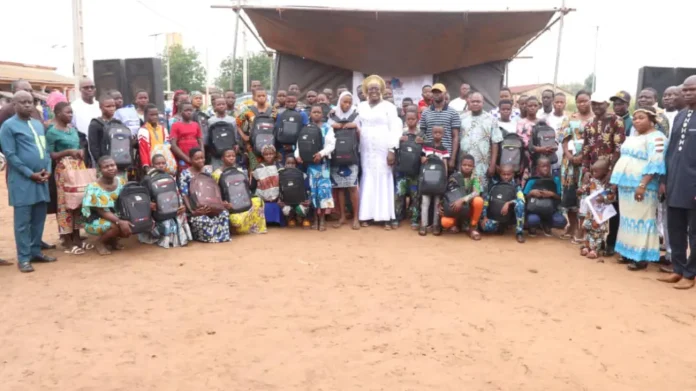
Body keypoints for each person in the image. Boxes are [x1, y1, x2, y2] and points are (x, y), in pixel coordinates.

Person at [0, 91, 55, 272]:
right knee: (22, 222)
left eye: (30, 102)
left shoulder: (38, 125)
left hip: (41, 178)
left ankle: (35, 251)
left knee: (39, 219)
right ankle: (23, 258)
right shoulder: (8, 126)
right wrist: (30, 173)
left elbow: (45, 150)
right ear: (14, 105)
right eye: (22, 102)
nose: (27, 105)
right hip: (23, 181)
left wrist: (48, 169)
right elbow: (10, 155)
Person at [610, 107, 666, 271]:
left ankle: (641, 257)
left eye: (641, 118)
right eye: (634, 118)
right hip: (626, 185)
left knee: (642, 220)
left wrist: (642, 185)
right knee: (627, 220)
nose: (636, 121)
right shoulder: (634, 136)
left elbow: (655, 163)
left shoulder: (657, 138)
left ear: (652, 120)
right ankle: (628, 252)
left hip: (642, 187)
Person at [659, 76, 696, 289]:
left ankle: (691, 274)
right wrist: (664, 180)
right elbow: (670, 151)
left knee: (694, 233)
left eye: (693, 90)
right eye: (686, 90)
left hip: (692, 186)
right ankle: (678, 269)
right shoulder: (681, 116)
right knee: (675, 229)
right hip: (674, 184)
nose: (688, 93)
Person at [582, 94, 626, 256]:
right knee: (594, 208)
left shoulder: (617, 121)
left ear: (607, 104)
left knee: (612, 207)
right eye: (594, 104)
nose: (597, 107)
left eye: (600, 104)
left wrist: (611, 172)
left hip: (611, 172)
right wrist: (586, 171)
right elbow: (586, 149)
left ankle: (611, 242)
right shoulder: (589, 125)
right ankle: (593, 243)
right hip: (594, 172)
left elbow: (619, 148)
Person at [356, 75, 402, 229]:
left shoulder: (389, 107)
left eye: (376, 88)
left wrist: (392, 150)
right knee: (368, 177)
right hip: (366, 148)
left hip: (383, 147)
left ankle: (385, 216)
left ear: (381, 90)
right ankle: (366, 215)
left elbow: (395, 129)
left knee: (384, 177)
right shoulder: (361, 106)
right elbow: (353, 122)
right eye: (370, 89)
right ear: (366, 91)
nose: (373, 91)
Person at [46, 101, 91, 254]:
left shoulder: (72, 130)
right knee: (65, 204)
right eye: (67, 112)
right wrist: (68, 152)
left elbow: (79, 146)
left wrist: (80, 151)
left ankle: (78, 237)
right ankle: (67, 240)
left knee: (78, 201)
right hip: (63, 170)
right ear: (58, 114)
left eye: (71, 112)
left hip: (78, 167)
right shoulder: (52, 132)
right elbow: (50, 155)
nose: (70, 115)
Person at [559, 90, 594, 244]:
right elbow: (564, 139)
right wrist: (569, 156)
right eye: (579, 101)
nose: (582, 104)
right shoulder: (570, 118)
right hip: (570, 164)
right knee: (569, 195)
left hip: (588, 163)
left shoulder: (595, 119)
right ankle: (572, 225)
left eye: (585, 100)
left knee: (584, 195)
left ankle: (581, 229)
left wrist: (583, 157)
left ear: (590, 100)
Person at [295, 105, 336, 231]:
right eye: (314, 112)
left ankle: (323, 219)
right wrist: (297, 156)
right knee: (312, 192)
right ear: (310, 114)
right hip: (309, 166)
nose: (316, 114)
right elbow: (299, 144)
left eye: (319, 112)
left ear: (322, 114)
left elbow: (331, 145)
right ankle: (315, 218)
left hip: (322, 165)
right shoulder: (305, 128)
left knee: (323, 192)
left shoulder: (327, 128)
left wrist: (321, 154)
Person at [81, 156, 131, 256]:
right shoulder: (94, 187)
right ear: (100, 170)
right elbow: (102, 211)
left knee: (130, 226)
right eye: (106, 166)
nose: (110, 168)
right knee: (116, 227)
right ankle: (100, 243)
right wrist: (120, 222)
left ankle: (112, 241)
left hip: (114, 215)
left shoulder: (121, 181)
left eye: (112, 165)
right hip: (95, 218)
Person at [138, 154, 192, 248]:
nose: (161, 165)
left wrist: (181, 206)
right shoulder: (147, 179)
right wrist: (149, 204)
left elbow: (177, 195)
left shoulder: (170, 177)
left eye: (163, 163)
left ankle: (180, 239)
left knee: (181, 214)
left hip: (170, 209)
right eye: (158, 163)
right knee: (166, 223)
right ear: (152, 165)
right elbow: (141, 199)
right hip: (156, 213)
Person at [179, 148, 231, 243]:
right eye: (197, 159)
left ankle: (221, 236)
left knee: (224, 214)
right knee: (202, 219)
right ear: (190, 160)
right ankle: (209, 237)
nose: (201, 160)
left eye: (202, 158)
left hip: (210, 205)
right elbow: (184, 194)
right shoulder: (185, 174)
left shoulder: (207, 171)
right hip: (196, 208)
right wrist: (193, 211)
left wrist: (220, 204)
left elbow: (213, 189)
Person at [211, 148, 267, 235]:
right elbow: (214, 193)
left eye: (233, 156)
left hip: (242, 201)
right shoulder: (217, 174)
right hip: (228, 204)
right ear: (222, 158)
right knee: (236, 221)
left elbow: (246, 188)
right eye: (228, 156)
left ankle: (257, 228)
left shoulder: (240, 171)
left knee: (258, 201)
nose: (231, 158)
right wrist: (222, 203)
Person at [328, 91, 361, 230]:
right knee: (340, 188)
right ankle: (342, 216)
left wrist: (356, 127)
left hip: (351, 156)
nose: (346, 105)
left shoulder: (356, 115)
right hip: (336, 156)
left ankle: (355, 218)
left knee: (353, 187)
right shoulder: (332, 115)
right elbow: (326, 133)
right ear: (339, 101)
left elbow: (361, 135)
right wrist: (331, 126)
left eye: (349, 102)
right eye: (344, 102)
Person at [458, 92, 502, 190]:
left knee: (480, 194)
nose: (475, 104)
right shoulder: (461, 118)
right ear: (469, 102)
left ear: (483, 103)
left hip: (482, 165)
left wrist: (493, 165)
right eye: (473, 101)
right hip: (464, 164)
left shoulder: (491, 119)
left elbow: (495, 143)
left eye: (478, 101)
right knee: (463, 190)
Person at [578, 158, 615, 259]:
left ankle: (595, 249)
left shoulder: (608, 184)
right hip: (590, 211)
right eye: (593, 171)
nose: (593, 173)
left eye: (596, 171)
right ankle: (586, 246)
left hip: (600, 213)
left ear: (606, 172)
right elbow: (585, 188)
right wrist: (581, 190)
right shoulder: (592, 180)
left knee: (597, 231)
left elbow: (612, 197)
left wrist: (604, 198)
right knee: (587, 227)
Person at [440, 154, 484, 239]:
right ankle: (456, 224)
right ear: (460, 166)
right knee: (445, 222)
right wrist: (441, 205)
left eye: (469, 165)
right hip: (455, 207)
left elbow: (476, 192)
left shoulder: (475, 177)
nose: (467, 167)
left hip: (468, 207)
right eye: (464, 165)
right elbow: (448, 193)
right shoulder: (454, 177)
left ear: (473, 167)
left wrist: (462, 200)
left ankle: (472, 227)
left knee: (478, 201)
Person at [480, 164, 526, 243]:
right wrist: (485, 216)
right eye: (504, 174)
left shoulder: (516, 187)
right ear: (500, 174)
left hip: (510, 216)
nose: (506, 177)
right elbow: (486, 201)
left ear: (513, 174)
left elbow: (522, 200)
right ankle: (500, 226)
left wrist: (509, 203)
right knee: (485, 227)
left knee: (520, 205)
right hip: (497, 216)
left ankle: (519, 233)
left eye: (508, 174)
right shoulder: (495, 186)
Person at [419, 83, 461, 170]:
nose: (436, 94)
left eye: (439, 92)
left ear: (445, 94)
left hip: (446, 156)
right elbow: (422, 133)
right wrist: (423, 154)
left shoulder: (453, 113)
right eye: (434, 92)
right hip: (428, 156)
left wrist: (452, 159)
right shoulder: (425, 113)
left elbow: (455, 137)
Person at [395, 111, 425, 229]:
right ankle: (398, 216)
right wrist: (399, 140)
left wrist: (423, 142)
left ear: (417, 119)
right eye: (408, 119)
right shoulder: (401, 133)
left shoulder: (422, 134)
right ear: (405, 120)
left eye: (413, 119)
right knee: (399, 194)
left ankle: (414, 218)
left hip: (415, 171)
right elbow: (394, 148)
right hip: (401, 169)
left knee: (415, 195)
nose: (411, 121)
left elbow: (427, 149)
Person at [523, 156, 566, 237]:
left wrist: (552, 194)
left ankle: (546, 224)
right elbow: (523, 198)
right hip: (534, 209)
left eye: (548, 166)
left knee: (561, 221)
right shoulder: (532, 180)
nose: (546, 168)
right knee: (533, 220)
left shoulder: (555, 180)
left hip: (550, 210)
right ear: (537, 168)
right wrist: (531, 193)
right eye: (543, 166)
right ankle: (534, 226)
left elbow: (560, 198)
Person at [419, 126, 450, 236]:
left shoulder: (444, 149)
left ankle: (436, 225)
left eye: (440, 133)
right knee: (425, 202)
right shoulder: (426, 146)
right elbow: (421, 158)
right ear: (432, 133)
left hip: (438, 179)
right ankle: (423, 225)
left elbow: (445, 164)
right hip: (427, 178)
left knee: (437, 203)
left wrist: (445, 178)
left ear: (443, 135)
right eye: (435, 132)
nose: (437, 134)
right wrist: (423, 159)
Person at [239, 88, 277, 171]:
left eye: (263, 95)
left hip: (270, 149)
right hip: (252, 148)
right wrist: (244, 136)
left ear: (266, 97)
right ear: (254, 98)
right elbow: (237, 123)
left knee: (269, 171)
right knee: (255, 171)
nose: (261, 97)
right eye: (258, 96)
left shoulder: (273, 111)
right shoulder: (248, 110)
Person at [138, 104, 177, 175]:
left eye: (156, 115)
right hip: (152, 164)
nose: (155, 117)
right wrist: (146, 166)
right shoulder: (143, 130)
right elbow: (143, 150)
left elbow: (167, 146)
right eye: (151, 115)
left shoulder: (163, 129)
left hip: (163, 163)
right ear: (146, 116)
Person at [251, 144, 283, 225]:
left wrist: (280, 197)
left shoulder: (280, 166)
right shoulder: (258, 168)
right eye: (266, 154)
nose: (269, 156)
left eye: (271, 154)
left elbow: (283, 184)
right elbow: (253, 186)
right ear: (263, 155)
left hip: (278, 198)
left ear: (275, 154)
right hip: (263, 198)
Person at [71, 78, 101, 159]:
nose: (90, 89)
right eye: (86, 87)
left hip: (100, 146)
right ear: (80, 89)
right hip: (84, 147)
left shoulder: (99, 105)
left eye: (92, 87)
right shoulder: (74, 106)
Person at [87, 94, 119, 169]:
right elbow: (93, 147)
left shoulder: (118, 123)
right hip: (103, 164)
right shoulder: (95, 124)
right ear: (100, 107)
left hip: (118, 162)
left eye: (113, 106)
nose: (112, 109)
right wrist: (101, 163)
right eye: (108, 106)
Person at [279, 155, 312, 228]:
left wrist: (309, 200)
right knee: (285, 209)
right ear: (285, 164)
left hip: (301, 202)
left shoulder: (303, 175)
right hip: (288, 201)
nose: (290, 165)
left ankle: (305, 218)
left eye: (293, 163)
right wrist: (279, 200)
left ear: (296, 165)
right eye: (288, 163)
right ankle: (292, 218)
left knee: (302, 209)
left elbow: (309, 190)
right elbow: (279, 191)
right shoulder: (280, 176)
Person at [170, 101, 203, 172]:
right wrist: (187, 159)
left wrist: (202, 156)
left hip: (196, 156)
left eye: (190, 110)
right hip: (183, 156)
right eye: (186, 110)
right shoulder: (175, 125)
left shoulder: (196, 125)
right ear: (181, 112)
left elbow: (200, 140)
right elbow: (173, 145)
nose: (189, 112)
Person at [207, 97, 238, 170]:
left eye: (223, 104)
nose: (221, 106)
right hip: (216, 153)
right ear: (214, 107)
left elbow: (235, 135)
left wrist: (236, 145)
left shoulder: (232, 120)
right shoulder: (210, 121)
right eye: (218, 104)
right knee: (217, 172)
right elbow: (209, 137)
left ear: (226, 106)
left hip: (229, 152)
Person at [516, 96, 540, 181]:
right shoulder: (521, 123)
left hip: (541, 159)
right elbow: (521, 141)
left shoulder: (543, 122)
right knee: (525, 183)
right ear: (526, 107)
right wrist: (535, 147)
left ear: (538, 107)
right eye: (530, 106)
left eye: (535, 105)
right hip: (525, 158)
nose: (532, 108)